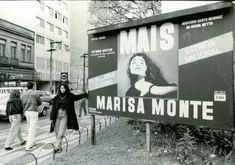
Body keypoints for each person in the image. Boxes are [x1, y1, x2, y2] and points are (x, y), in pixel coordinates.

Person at [50, 83, 88, 153]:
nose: (63, 90)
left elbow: (78, 97)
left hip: (65, 116)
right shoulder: (56, 98)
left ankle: (56, 147)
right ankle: (59, 147)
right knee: (57, 133)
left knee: (61, 134)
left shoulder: (70, 96)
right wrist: (51, 118)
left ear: (66, 89)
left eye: (64, 88)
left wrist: (86, 94)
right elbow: (53, 109)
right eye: (61, 88)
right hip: (57, 116)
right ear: (59, 89)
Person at [21, 82, 42, 151]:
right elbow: (40, 103)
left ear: (27, 87)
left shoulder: (23, 94)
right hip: (34, 111)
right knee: (32, 128)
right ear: (33, 87)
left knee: (29, 127)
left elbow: (22, 103)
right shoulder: (35, 93)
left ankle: (32, 141)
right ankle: (29, 146)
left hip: (27, 111)